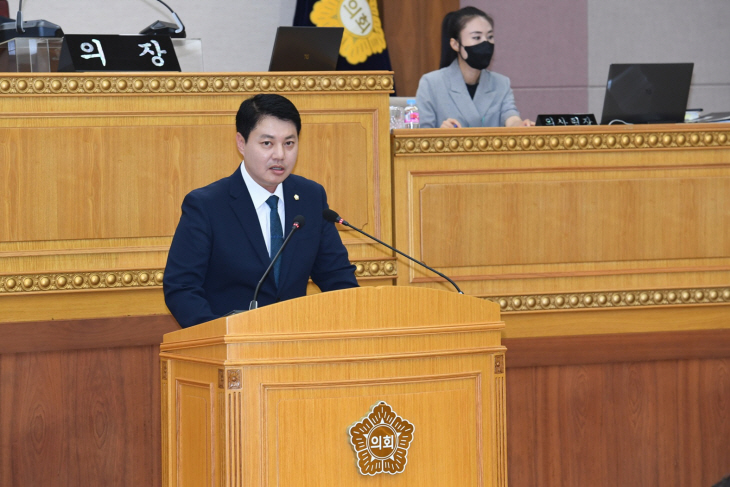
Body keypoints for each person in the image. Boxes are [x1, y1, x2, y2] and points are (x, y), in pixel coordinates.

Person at [163, 94, 358, 328]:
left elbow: (337, 278)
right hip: (232, 351)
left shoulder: (310, 197)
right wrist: (219, 339)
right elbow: (181, 288)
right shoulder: (207, 205)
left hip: (296, 347)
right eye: (267, 143)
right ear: (241, 143)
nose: (280, 155)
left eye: (289, 143)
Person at [416, 6, 533, 128]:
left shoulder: (501, 83)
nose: (485, 43)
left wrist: (521, 125)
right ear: (455, 44)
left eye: (490, 37)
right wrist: (441, 134)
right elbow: (420, 137)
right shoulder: (431, 83)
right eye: (477, 37)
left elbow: (511, 118)